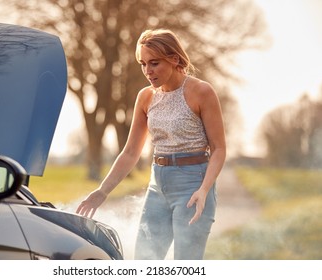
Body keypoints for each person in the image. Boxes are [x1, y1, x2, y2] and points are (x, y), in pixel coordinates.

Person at [76, 29, 226, 260]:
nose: (148, 71)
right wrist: (102, 191)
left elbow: (219, 149)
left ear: (175, 59)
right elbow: (130, 152)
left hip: (193, 185)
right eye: (143, 64)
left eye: (154, 63)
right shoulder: (145, 97)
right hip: (158, 186)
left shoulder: (201, 92)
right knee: (145, 262)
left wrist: (204, 189)